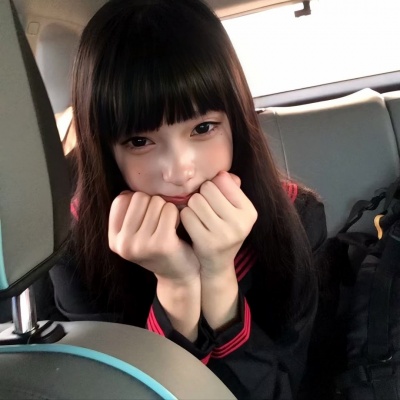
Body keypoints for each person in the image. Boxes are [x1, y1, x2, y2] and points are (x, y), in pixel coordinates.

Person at [49, 0, 327, 398]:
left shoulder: (296, 217)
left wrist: (219, 276)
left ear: (237, 123)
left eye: (203, 128)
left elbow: (280, 390)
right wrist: (176, 286)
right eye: (140, 141)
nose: (179, 171)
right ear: (106, 151)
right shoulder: (75, 245)